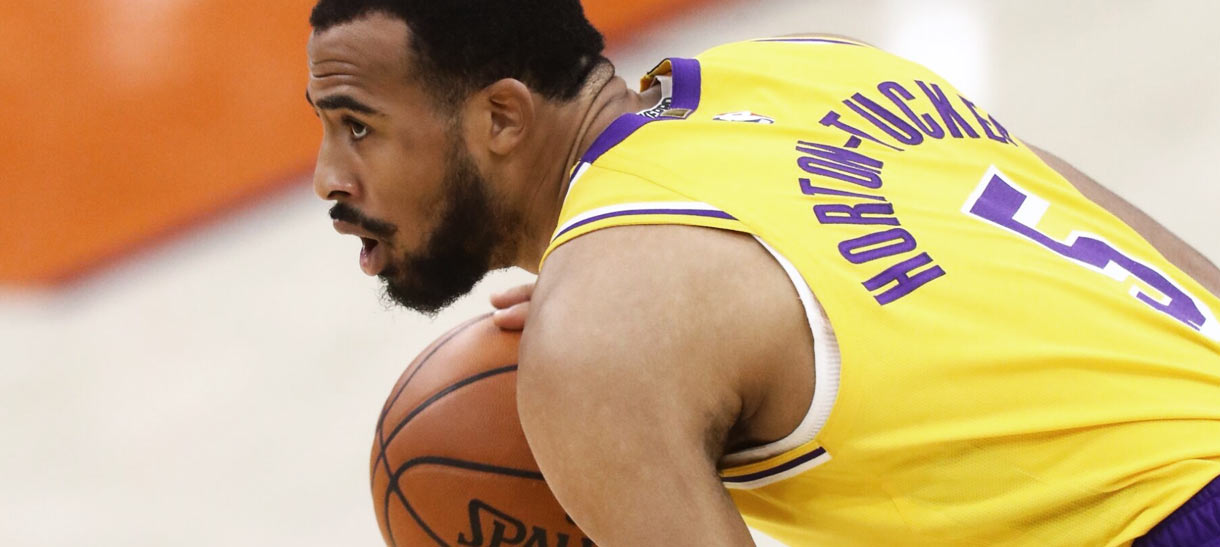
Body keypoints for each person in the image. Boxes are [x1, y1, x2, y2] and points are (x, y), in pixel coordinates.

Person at [304, 1, 1220, 545]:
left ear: (502, 118)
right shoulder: (812, 68)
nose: (328, 178)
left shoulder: (598, 335)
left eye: (359, 127)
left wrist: (600, 332)